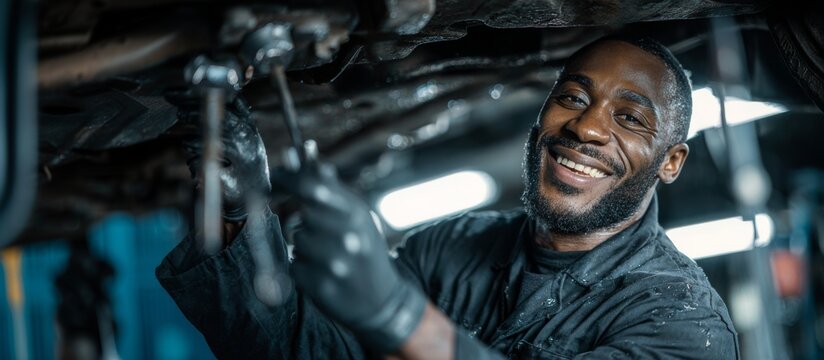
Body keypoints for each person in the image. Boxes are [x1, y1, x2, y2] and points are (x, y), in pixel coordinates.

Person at [156, 35, 740, 359]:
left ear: (671, 162)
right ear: (541, 117)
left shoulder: (685, 323)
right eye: (571, 97)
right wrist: (244, 212)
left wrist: (399, 316)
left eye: (631, 119)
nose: (585, 129)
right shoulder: (451, 247)